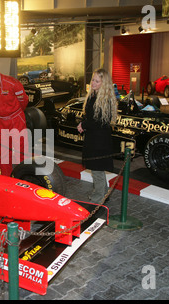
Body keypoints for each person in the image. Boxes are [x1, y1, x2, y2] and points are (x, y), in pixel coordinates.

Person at [77, 68, 118, 204]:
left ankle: (98, 199)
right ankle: (102, 193)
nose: (93, 83)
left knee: (97, 170)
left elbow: (99, 121)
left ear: (103, 83)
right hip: (94, 138)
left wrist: (83, 124)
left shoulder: (104, 99)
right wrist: (84, 124)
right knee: (97, 170)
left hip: (99, 140)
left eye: (97, 81)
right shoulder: (94, 95)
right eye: (93, 80)